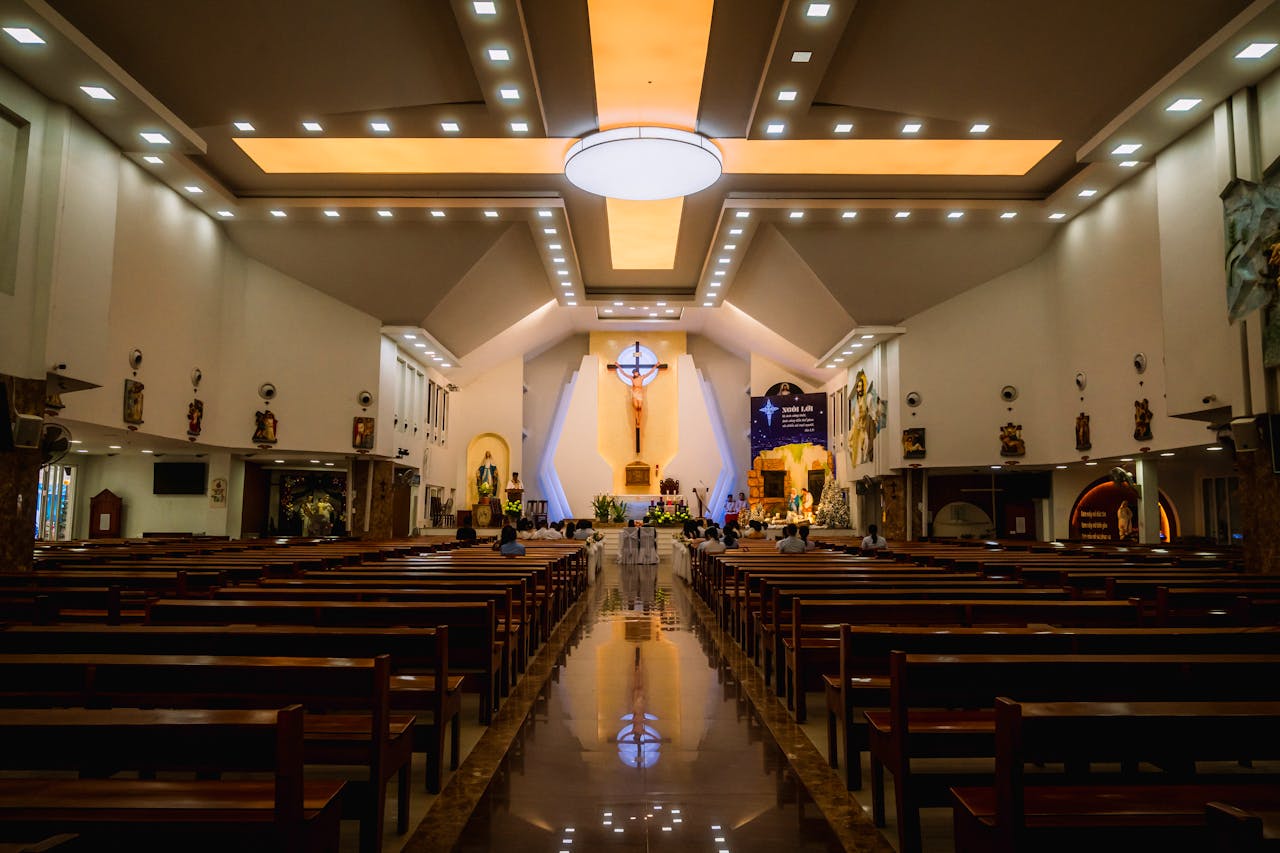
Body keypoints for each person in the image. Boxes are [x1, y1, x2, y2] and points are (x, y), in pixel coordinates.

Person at [628, 365, 660, 429]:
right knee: (636, 407)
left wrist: (656, 366)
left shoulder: (641, 378)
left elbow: (650, 372)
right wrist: (618, 366)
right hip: (634, 394)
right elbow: (623, 373)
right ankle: (637, 421)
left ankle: (639, 421)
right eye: (634, 373)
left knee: (640, 408)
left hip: (640, 394)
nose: (635, 373)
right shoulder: (632, 378)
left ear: (638, 372)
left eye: (635, 372)